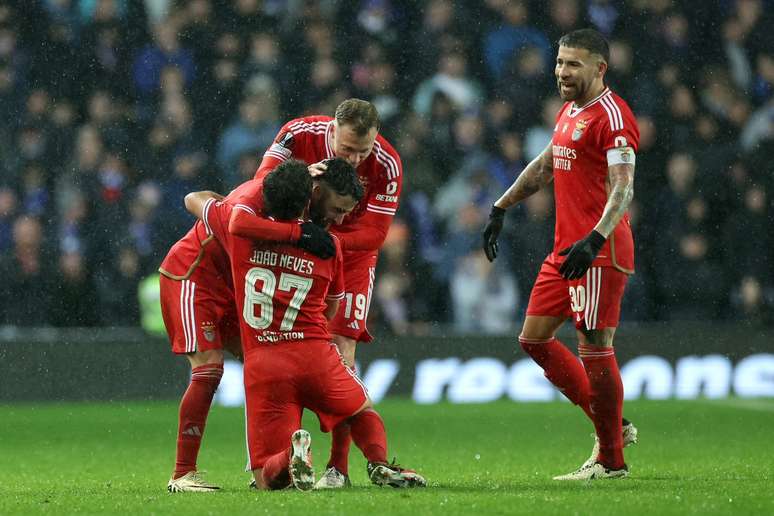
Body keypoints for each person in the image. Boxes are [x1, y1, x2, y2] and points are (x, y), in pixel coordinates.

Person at [185, 160, 425, 490]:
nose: (340, 218)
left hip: (264, 361)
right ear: (310, 197)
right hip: (313, 353)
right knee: (360, 408)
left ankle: (291, 456)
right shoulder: (329, 247)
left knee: (266, 479)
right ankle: (379, 462)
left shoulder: (237, 229)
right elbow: (332, 305)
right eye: (338, 209)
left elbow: (195, 200)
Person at [482, 29, 640, 480]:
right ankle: (612, 427)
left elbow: (624, 186)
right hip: (564, 250)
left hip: (597, 250)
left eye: (573, 64)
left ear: (599, 68)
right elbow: (548, 164)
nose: (562, 72)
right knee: (533, 338)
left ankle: (612, 461)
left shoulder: (613, 116)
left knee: (594, 346)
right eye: (559, 62)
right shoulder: (571, 111)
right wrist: (501, 205)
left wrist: (595, 239)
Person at [246, 98, 402, 488]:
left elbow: (375, 235)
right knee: (300, 354)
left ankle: (338, 468)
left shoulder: (387, 164)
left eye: (362, 151)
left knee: (343, 354)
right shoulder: (298, 134)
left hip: (347, 257)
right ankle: (290, 451)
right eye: (347, 149)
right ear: (331, 130)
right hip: (297, 245)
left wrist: (327, 241)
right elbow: (262, 185)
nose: (353, 159)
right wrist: (300, 192)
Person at [160, 163, 338, 493]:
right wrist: (298, 235)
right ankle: (182, 474)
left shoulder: (276, 209)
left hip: (232, 289)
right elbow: (194, 198)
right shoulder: (238, 217)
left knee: (271, 364)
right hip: (192, 277)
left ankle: (270, 460)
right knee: (209, 370)